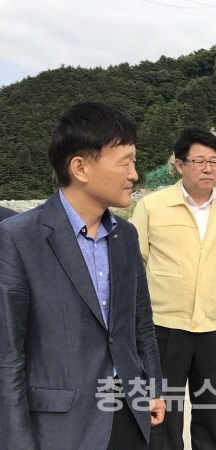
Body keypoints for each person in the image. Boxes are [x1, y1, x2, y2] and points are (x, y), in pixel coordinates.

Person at [0, 101, 165, 450]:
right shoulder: (19, 238)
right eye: (125, 162)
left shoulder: (125, 236)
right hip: (61, 428)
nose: (134, 174)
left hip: (127, 412)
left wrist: (153, 388)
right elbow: (8, 358)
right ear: (80, 168)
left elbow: (141, 324)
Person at [131, 126, 216, 450]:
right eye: (200, 161)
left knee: (210, 407)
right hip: (165, 328)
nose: (208, 168)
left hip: (213, 327)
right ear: (180, 165)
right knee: (165, 410)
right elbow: (138, 264)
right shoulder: (152, 207)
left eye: (215, 161)